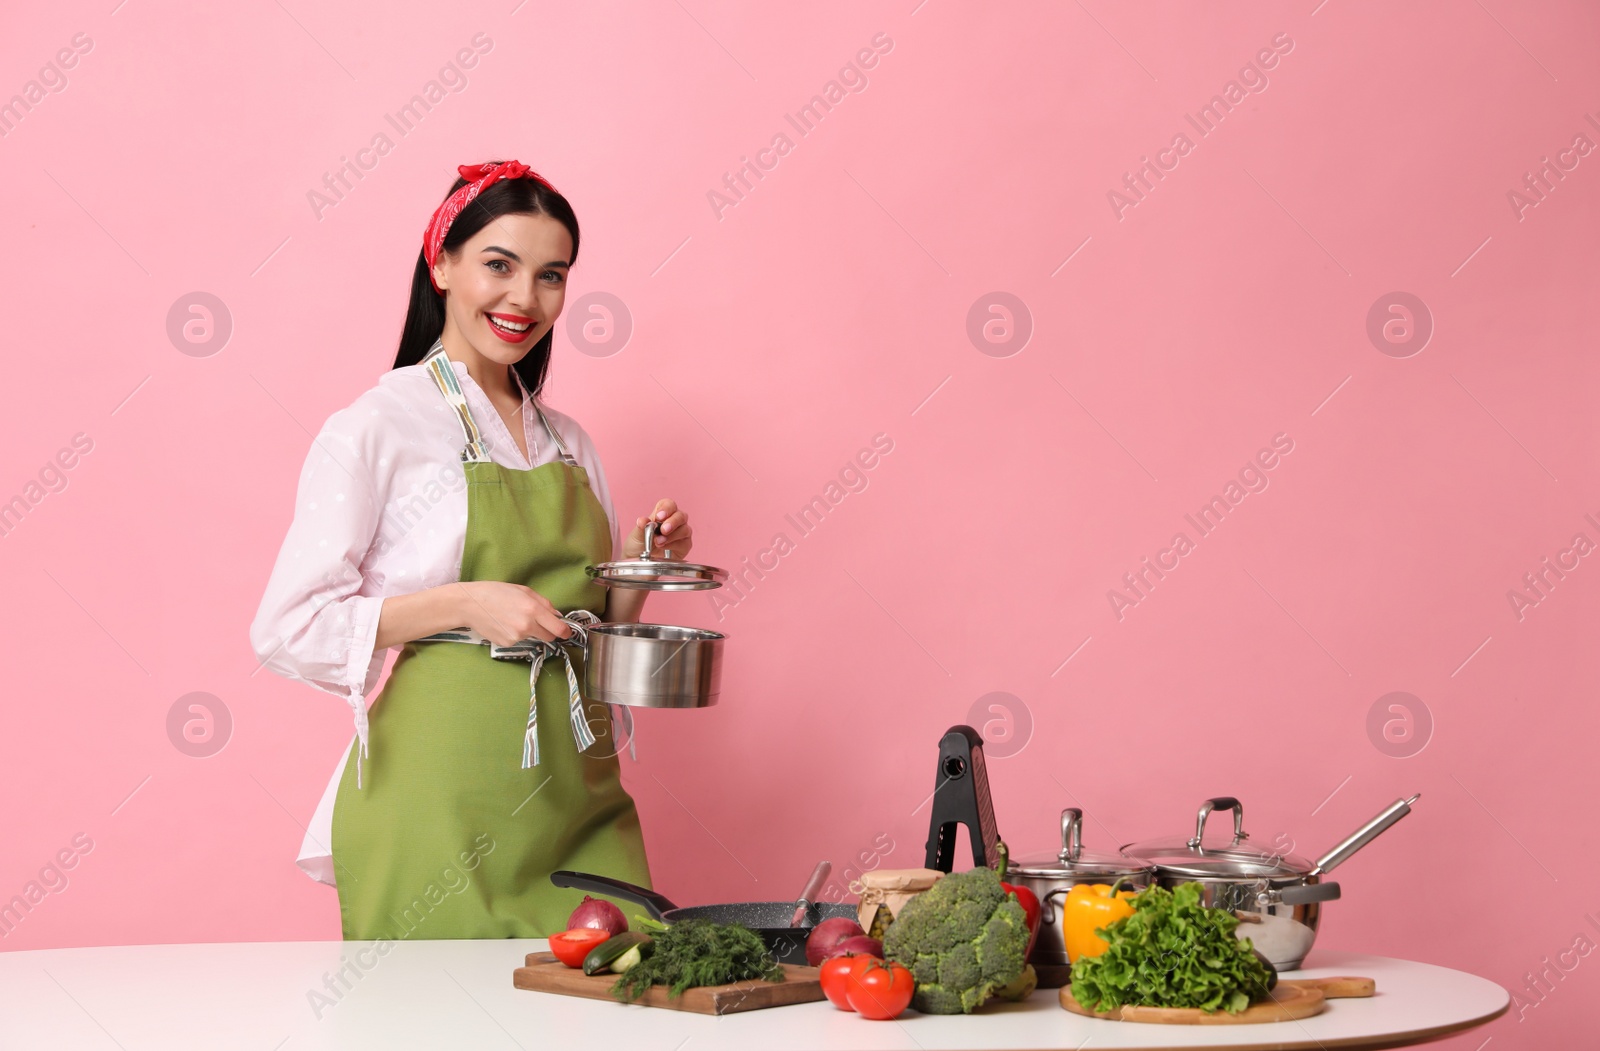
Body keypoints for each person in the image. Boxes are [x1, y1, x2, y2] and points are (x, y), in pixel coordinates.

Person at [250, 160, 690, 939]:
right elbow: (288, 626)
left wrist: (639, 563)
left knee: (621, 988)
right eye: (499, 265)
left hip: (576, 792)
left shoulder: (569, 442)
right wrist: (463, 603)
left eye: (551, 275)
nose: (525, 298)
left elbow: (595, 631)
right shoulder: (379, 425)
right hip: (441, 796)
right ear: (442, 262)